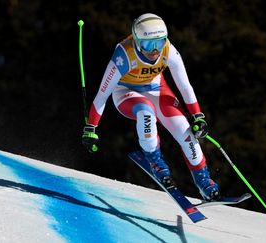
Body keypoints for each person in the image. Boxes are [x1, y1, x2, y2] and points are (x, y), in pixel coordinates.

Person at [82, 13, 221, 201]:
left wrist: (198, 116)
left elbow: (184, 85)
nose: (155, 50)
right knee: (145, 112)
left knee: (184, 130)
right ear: (137, 41)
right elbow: (102, 95)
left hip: (157, 88)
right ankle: (156, 162)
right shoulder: (124, 55)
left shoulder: (168, 50)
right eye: (149, 44)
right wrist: (91, 128)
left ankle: (204, 181)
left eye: (159, 42)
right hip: (125, 92)